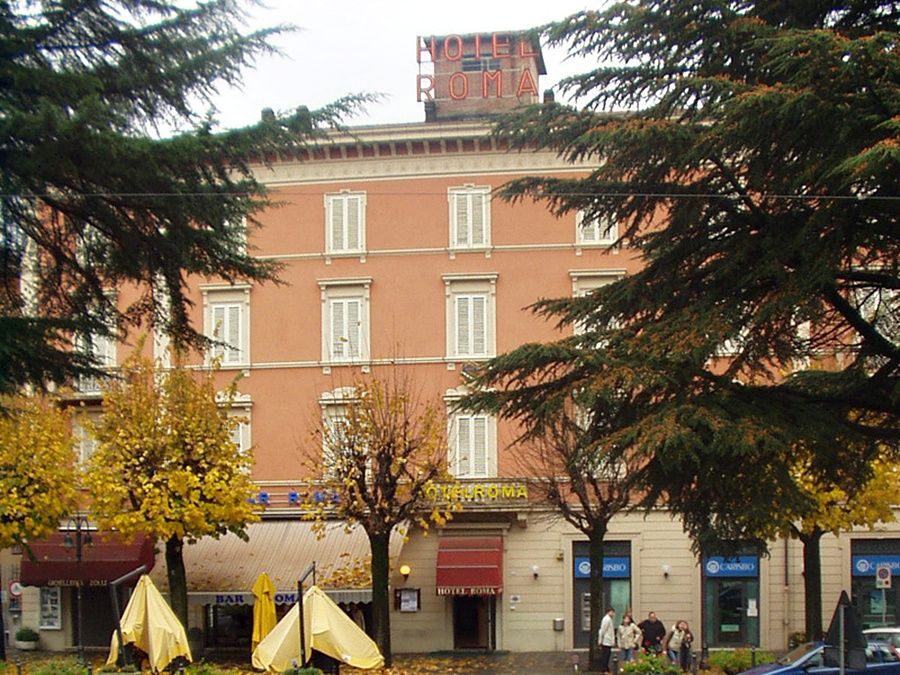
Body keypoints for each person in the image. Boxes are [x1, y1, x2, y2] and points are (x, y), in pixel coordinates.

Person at [598, 607, 616, 673]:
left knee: (607, 656)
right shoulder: (606, 619)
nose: (614, 614)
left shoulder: (609, 619)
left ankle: (606, 669)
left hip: (608, 641)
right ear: (609, 612)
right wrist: (600, 641)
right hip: (606, 641)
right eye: (613, 612)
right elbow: (602, 630)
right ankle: (604, 670)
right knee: (605, 656)